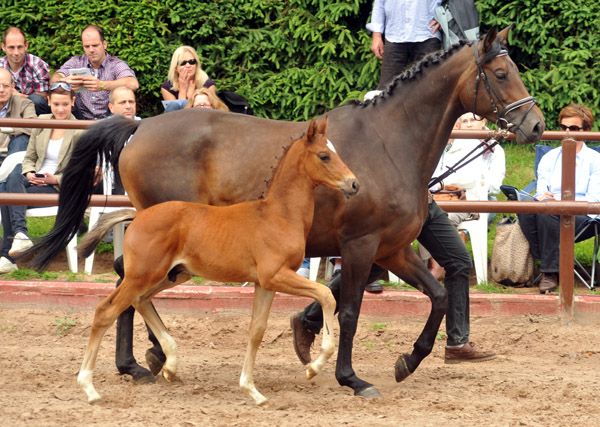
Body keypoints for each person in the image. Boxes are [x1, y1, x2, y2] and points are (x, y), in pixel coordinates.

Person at [290, 197, 497, 364]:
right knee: (374, 266)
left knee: (458, 261)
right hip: (396, 204)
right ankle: (310, 319)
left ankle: (457, 343)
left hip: (422, 201)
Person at [0, 82, 84, 273]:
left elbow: (79, 170)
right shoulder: (42, 121)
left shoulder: (80, 128)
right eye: (55, 104)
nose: (60, 109)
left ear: (73, 102)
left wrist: (55, 179)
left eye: (64, 104)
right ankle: (19, 236)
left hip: (56, 185)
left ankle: (8, 255)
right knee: (15, 177)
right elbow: (29, 157)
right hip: (33, 179)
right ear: (48, 102)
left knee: (5, 190)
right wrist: (29, 172)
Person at [518, 103, 600, 294]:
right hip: (550, 211)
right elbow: (541, 191)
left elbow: (594, 198)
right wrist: (543, 197)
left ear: (586, 130)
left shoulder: (595, 160)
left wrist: (560, 204)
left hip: (585, 214)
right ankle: (553, 262)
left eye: (573, 128)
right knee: (526, 207)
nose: (566, 132)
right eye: (563, 127)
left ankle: (549, 272)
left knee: (549, 212)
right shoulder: (550, 157)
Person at [53, 25, 138, 120]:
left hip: (109, 119)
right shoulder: (76, 62)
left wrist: (102, 85)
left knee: (119, 101)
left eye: (95, 45)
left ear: (104, 44)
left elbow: (133, 83)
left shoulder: (116, 64)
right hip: (79, 118)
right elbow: (55, 78)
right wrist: (65, 81)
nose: (91, 50)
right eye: (87, 46)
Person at [366, 0, 442, 90]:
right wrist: (377, 35)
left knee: (428, 89)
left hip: (427, 33)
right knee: (386, 89)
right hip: (395, 33)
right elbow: (380, 3)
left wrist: (444, 15)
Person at [0, 27, 50, 115]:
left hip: (33, 109)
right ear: (3, 46)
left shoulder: (37, 64)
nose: (16, 52)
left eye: (20, 47)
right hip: (4, 106)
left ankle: (38, 127)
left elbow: (43, 98)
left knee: (37, 100)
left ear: (26, 45)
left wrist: (18, 96)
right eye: (11, 47)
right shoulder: (1, 66)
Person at [161, 46, 216, 113]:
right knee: (174, 105)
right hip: (176, 121)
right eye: (182, 63)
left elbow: (211, 111)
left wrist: (191, 94)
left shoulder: (208, 84)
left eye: (191, 62)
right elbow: (174, 114)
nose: (188, 65)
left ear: (196, 64)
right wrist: (183, 91)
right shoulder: (167, 87)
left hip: (202, 119)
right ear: (176, 68)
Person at [0, 68, 36, 164]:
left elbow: (34, 127)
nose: (1, 90)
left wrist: (9, 128)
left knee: (22, 139)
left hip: (12, 154)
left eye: (6, 86)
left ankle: (13, 178)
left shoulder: (24, 103)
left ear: (12, 87)